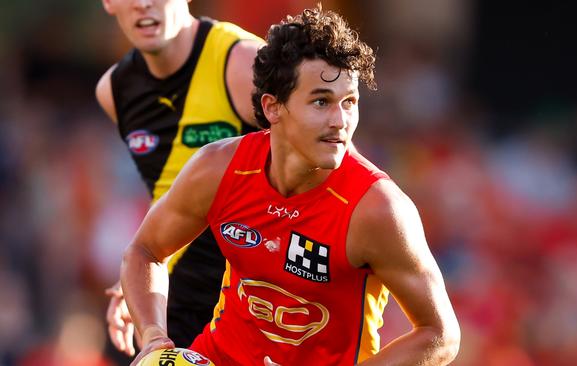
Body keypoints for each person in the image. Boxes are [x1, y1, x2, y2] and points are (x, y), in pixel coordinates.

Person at [121, 5, 461, 366]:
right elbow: (145, 251)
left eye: (350, 103)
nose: (340, 121)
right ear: (273, 107)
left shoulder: (377, 209)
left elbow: (439, 335)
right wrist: (154, 338)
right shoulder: (219, 168)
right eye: (321, 102)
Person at [95, 0, 264, 355]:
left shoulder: (243, 64)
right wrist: (137, 281)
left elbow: (325, 165)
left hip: (256, 306)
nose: (143, 4)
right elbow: (169, 198)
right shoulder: (115, 90)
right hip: (174, 312)